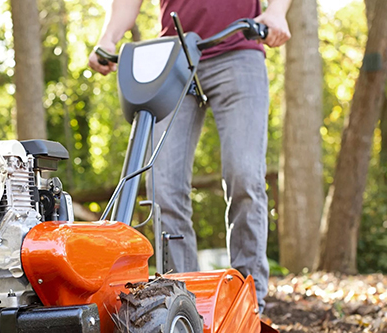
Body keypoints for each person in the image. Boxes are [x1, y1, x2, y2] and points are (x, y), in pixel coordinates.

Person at [88, 0, 292, 312]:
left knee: (245, 176)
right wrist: (108, 38)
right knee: (164, 187)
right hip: (174, 60)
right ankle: (185, 303)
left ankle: (250, 302)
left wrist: (277, 11)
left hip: (239, 49)